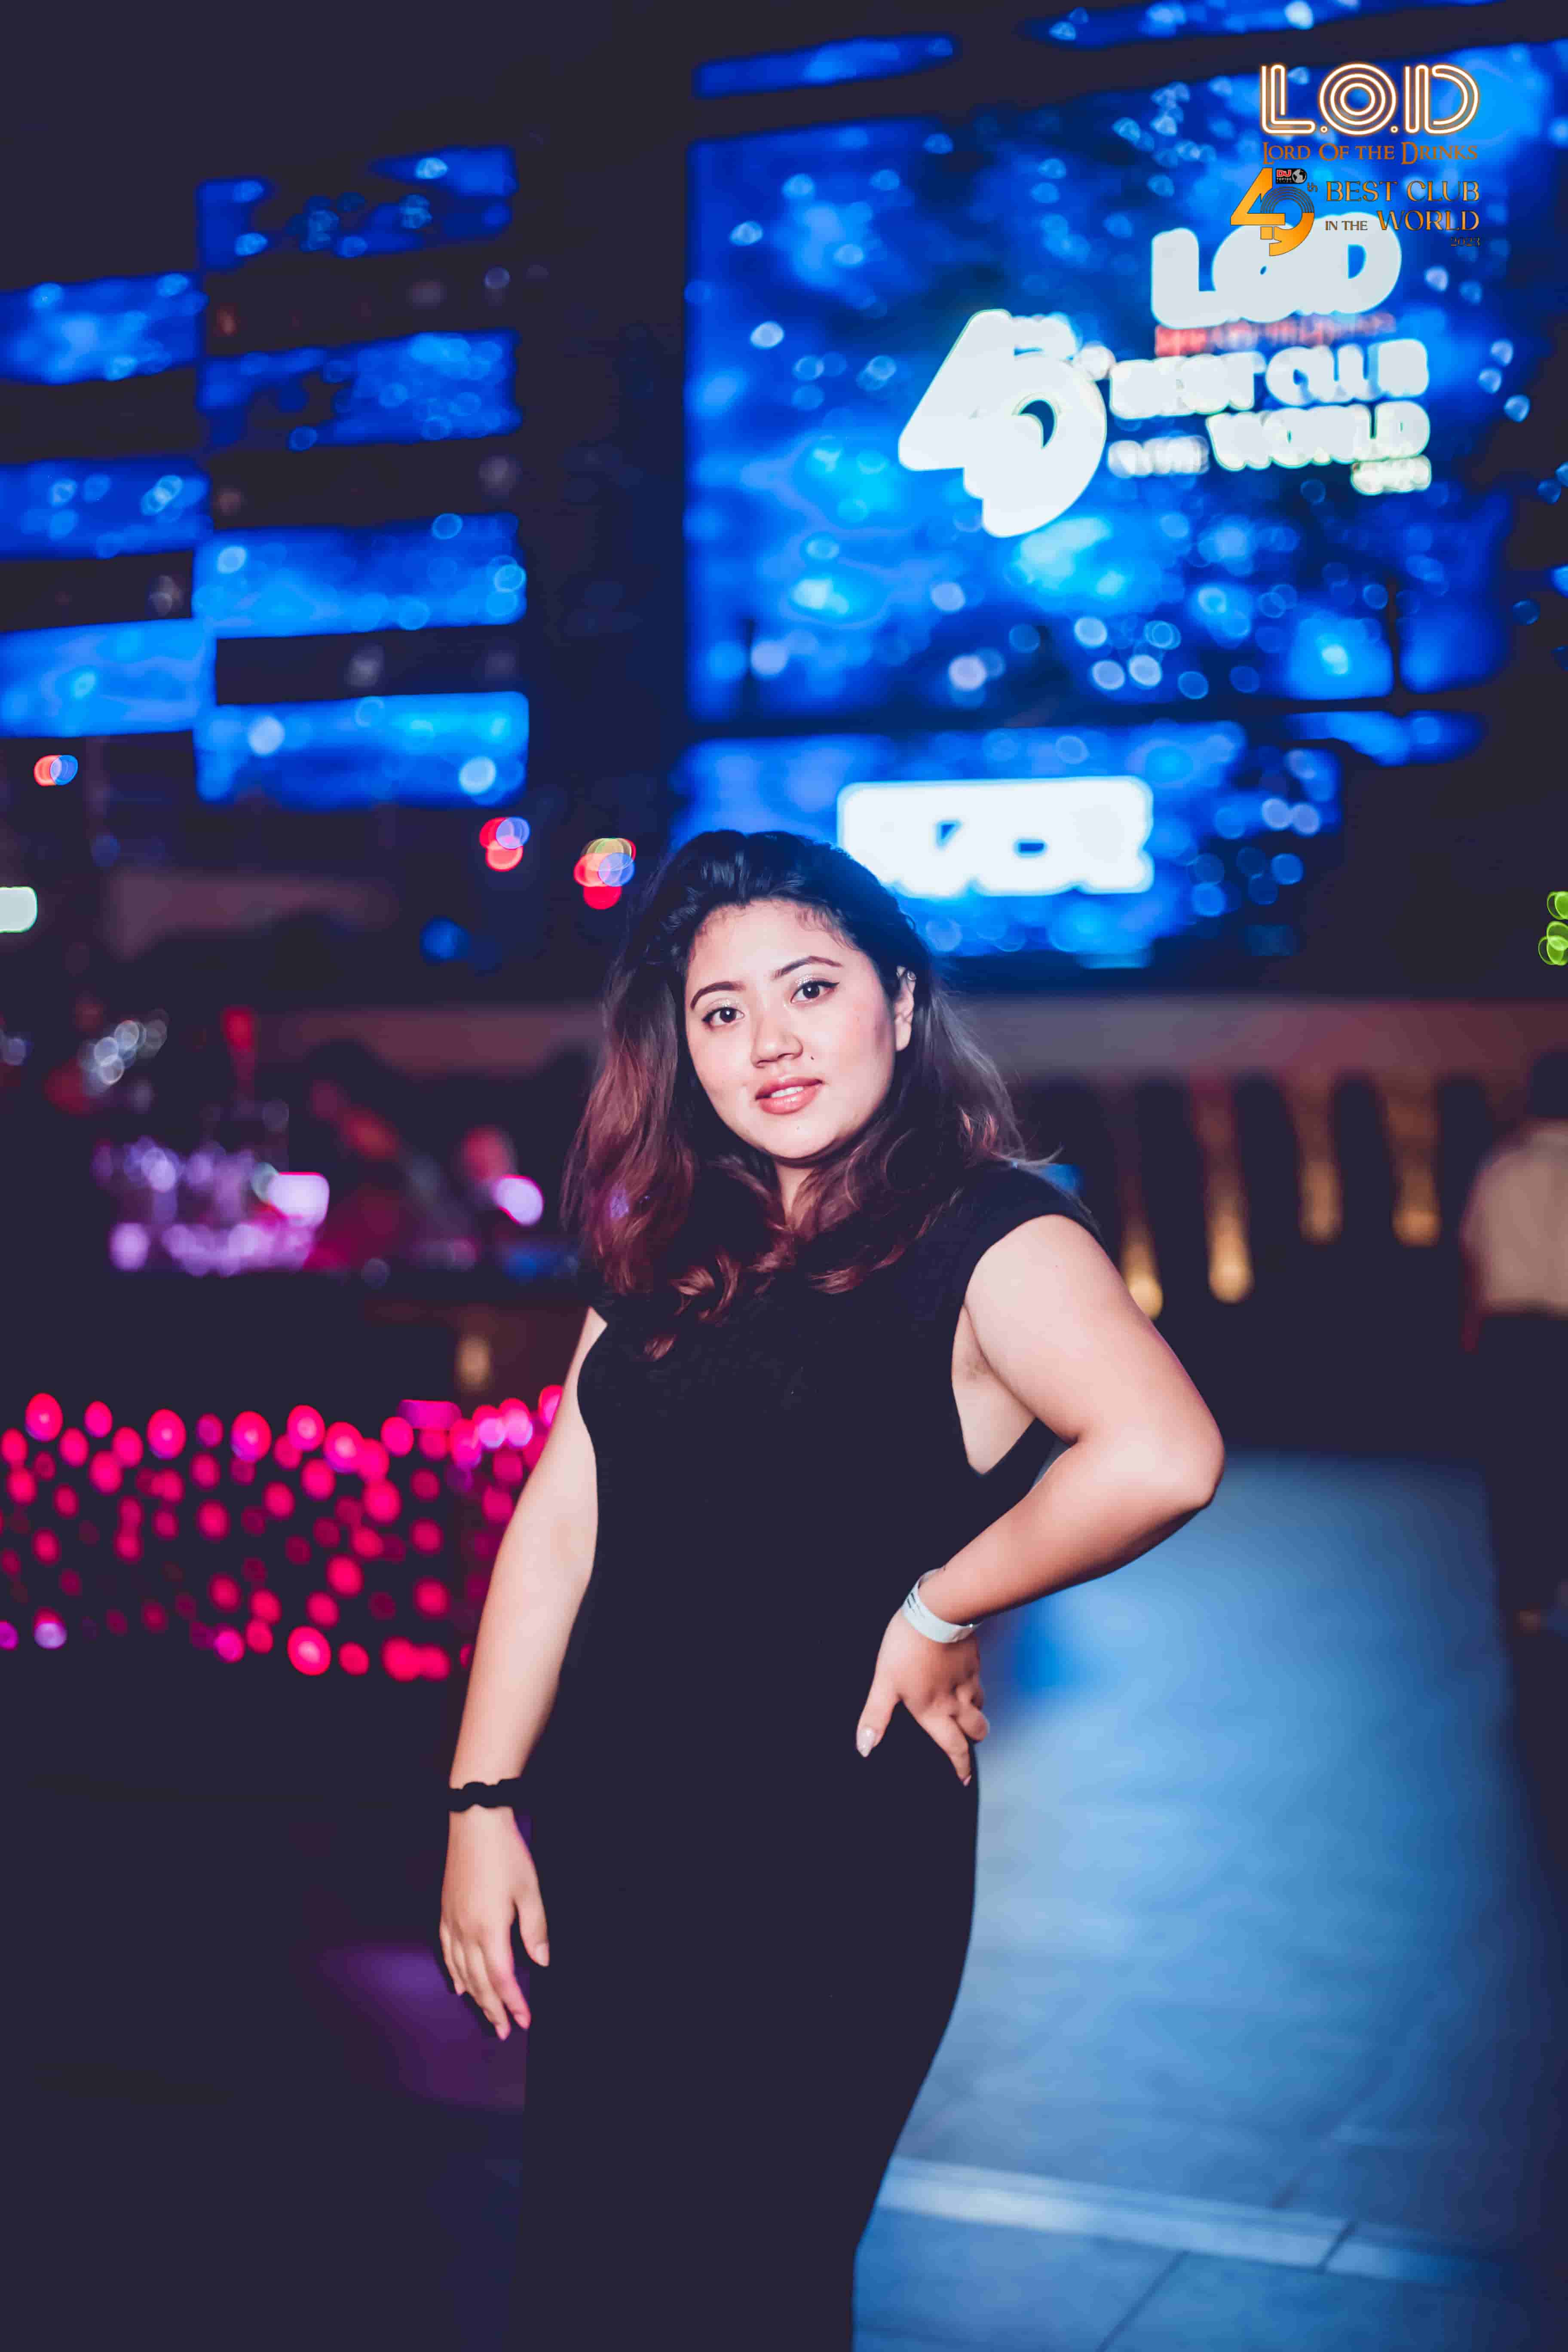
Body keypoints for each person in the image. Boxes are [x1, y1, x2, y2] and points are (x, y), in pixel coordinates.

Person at [437, 830, 1225, 2348]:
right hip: (618, 1839)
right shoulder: (671, 1239)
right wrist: (481, 1805)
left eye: (810, 988)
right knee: (586, 2275)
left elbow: (1164, 1454)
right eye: (721, 1010)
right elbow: (560, 1526)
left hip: (827, 1859)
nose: (769, 1041)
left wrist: (943, 1603)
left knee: (744, 2277)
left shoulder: (993, 1233)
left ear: (901, 1003)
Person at [1459, 1045, 1568, 1642]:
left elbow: (1474, 1259)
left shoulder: (1501, 1168)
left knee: (1515, 1468)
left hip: (1512, 1339)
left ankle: (1525, 1594)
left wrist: (1472, 1335)